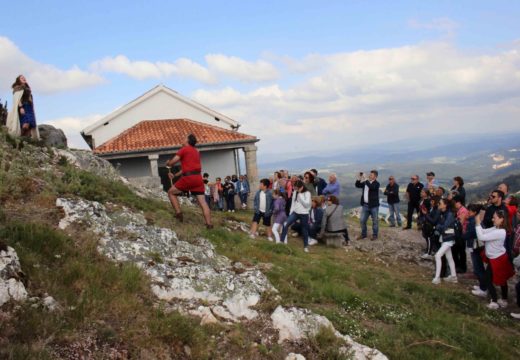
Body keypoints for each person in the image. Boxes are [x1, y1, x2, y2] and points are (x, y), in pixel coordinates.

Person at [165, 134, 212, 228]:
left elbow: (174, 161)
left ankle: (179, 214)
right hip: (198, 178)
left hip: (188, 179)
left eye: (184, 138)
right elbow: (185, 169)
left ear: (187, 141)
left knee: (171, 192)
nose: (182, 139)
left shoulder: (184, 149)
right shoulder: (196, 151)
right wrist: (174, 175)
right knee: (203, 202)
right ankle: (209, 224)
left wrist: (168, 163)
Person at [475, 210, 515, 309]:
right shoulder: (495, 228)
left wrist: (478, 223)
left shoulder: (500, 232)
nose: (493, 219)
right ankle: (500, 300)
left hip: (499, 259)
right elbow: (484, 232)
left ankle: (497, 301)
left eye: (495, 218)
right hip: (494, 258)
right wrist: (480, 224)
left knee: (500, 280)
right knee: (496, 279)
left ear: (501, 219)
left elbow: (481, 236)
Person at [281, 180, 312, 252]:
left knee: (304, 229)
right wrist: (290, 213)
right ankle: (282, 242)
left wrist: (300, 196)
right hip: (295, 212)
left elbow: (307, 204)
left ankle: (305, 246)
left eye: (297, 188)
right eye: (295, 188)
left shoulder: (307, 193)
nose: (296, 190)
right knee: (285, 224)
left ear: (301, 187)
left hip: (304, 214)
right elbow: (293, 203)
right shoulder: (295, 192)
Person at [432, 198, 458, 285]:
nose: (438, 204)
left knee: (437, 255)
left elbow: (444, 227)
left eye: (440, 203)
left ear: (445, 205)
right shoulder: (444, 213)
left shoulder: (449, 214)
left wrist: (438, 227)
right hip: (446, 238)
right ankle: (453, 277)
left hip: (448, 238)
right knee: (449, 258)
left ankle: (437, 278)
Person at [6, 75, 40, 140]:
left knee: (30, 124)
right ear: (18, 80)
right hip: (23, 107)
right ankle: (18, 139)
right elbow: (17, 99)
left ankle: (25, 141)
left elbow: (30, 98)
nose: (24, 78)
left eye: (24, 78)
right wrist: (21, 107)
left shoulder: (27, 88)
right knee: (25, 124)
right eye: (22, 78)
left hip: (29, 108)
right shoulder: (17, 88)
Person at [465, 204, 488, 297]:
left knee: (479, 268)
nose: (468, 212)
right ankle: (482, 286)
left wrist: (461, 236)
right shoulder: (472, 220)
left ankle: (483, 289)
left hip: (476, 247)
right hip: (474, 247)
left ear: (475, 213)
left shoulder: (475, 222)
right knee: (477, 267)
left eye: (469, 211)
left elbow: (471, 234)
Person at [355, 170, 380, 240]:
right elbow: (357, 185)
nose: (369, 176)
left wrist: (365, 179)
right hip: (365, 205)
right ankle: (363, 234)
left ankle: (375, 235)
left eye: (371, 175)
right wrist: (359, 178)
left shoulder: (377, 184)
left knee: (375, 221)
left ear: (375, 177)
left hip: (374, 206)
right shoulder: (366, 182)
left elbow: (371, 187)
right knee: (362, 220)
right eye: (370, 174)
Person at [452, 195, 468, 273]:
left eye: (454, 203)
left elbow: (460, 223)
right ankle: (457, 265)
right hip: (457, 233)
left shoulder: (463, 210)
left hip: (461, 233)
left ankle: (462, 267)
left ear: (458, 202)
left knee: (461, 251)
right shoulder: (459, 210)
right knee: (455, 250)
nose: (454, 204)